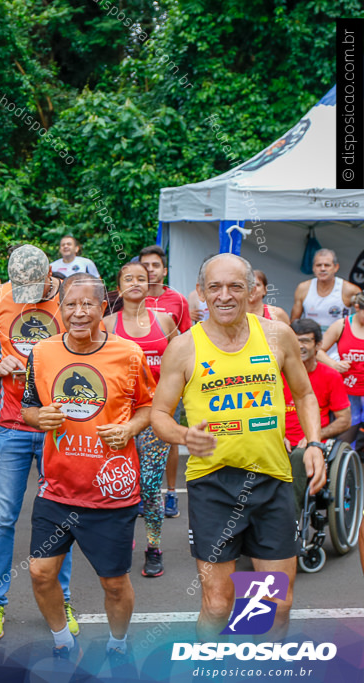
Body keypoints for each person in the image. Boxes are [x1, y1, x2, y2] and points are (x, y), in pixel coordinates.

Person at [151, 253, 326, 641]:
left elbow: (305, 394)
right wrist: (183, 436)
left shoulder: (277, 335)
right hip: (212, 485)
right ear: (200, 293)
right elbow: (159, 415)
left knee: (275, 606)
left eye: (234, 286)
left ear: (251, 292)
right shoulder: (182, 347)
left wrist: (314, 443)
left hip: (271, 480)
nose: (224, 295)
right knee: (218, 604)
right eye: (215, 287)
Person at [23, 272, 155, 663]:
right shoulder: (42, 352)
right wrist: (37, 418)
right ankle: (63, 639)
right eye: (70, 304)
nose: (78, 312)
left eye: (87, 305)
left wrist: (130, 426)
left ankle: (117, 645)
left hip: (111, 493)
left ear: (103, 308)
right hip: (57, 490)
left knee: (114, 583)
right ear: (59, 308)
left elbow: (150, 406)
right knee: (40, 573)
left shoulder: (129, 354)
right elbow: (28, 405)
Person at [0, 245, 76, 640]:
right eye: (22, 291)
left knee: (60, 518)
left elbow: (92, 351)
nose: (27, 299)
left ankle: (62, 599)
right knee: (1, 519)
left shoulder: (71, 294)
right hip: (11, 425)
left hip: (58, 425)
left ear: (51, 273)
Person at [103, 262, 178, 578]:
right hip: (119, 416)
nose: (135, 283)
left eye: (142, 279)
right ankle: (120, 542)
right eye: (128, 279)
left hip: (155, 416)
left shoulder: (165, 321)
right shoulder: (107, 324)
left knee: (149, 485)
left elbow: (177, 367)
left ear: (150, 285)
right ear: (119, 288)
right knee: (118, 483)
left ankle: (154, 547)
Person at [139, 244, 192, 519]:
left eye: (155, 266)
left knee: (168, 439)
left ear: (164, 270)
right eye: (145, 265)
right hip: (135, 390)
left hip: (168, 386)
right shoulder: (133, 300)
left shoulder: (178, 301)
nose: (150, 270)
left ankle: (171, 493)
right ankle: (141, 494)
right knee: (136, 441)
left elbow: (187, 341)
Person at [285, 319, 350, 504]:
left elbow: (344, 420)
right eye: (295, 340)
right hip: (279, 441)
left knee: (299, 456)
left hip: (309, 447)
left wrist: (315, 437)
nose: (299, 346)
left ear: (318, 345)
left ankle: (293, 522)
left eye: (305, 341)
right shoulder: (277, 374)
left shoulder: (330, 376)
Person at [318, 292, 364, 446]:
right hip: (347, 390)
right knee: (346, 438)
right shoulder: (342, 325)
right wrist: (333, 364)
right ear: (357, 307)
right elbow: (318, 350)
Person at [291, 249, 361, 335]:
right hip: (312, 345)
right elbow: (294, 322)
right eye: (318, 265)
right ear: (313, 268)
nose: (323, 269)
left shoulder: (349, 289)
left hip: (339, 346)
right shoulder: (303, 288)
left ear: (336, 267)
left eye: (327, 265)